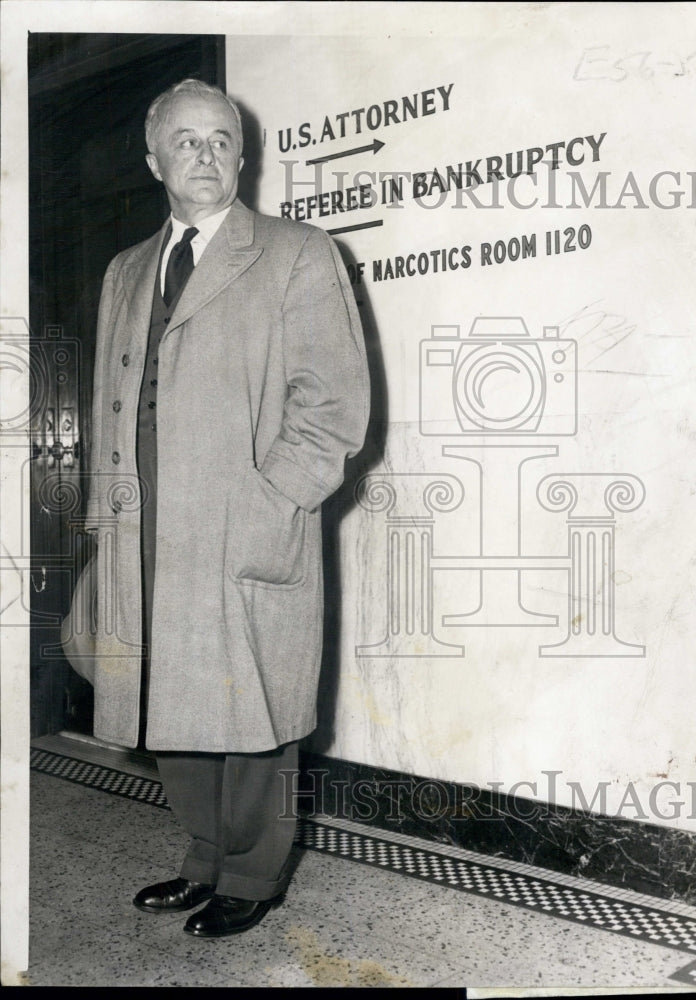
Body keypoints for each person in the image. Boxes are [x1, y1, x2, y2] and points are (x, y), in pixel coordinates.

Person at [83, 79, 370, 938]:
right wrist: (105, 530)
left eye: (220, 140)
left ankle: (253, 871)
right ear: (153, 160)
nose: (204, 154)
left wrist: (271, 501)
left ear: (242, 158)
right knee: (169, 703)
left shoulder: (296, 252)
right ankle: (202, 857)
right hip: (144, 526)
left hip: (242, 518)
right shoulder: (126, 269)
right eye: (185, 141)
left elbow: (332, 405)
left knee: (252, 703)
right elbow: (108, 403)